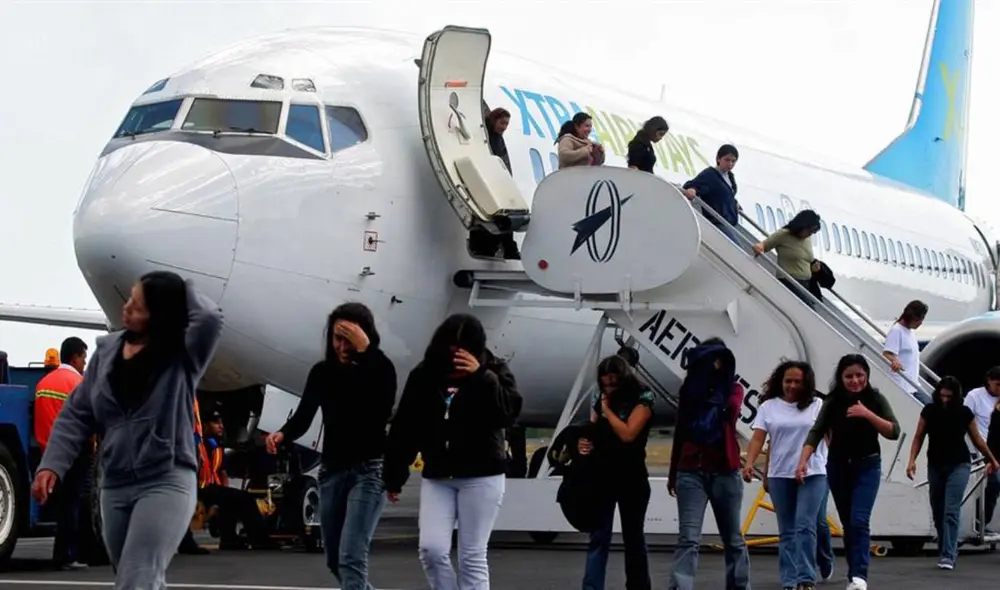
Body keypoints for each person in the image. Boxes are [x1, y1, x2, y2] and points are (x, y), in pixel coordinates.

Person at [31, 272, 223, 589]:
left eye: (138, 304)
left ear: (158, 314)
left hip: (166, 479)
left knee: (138, 576)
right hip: (115, 485)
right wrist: (52, 464)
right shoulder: (106, 355)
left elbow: (210, 319)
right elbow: (77, 413)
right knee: (133, 575)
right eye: (130, 299)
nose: (127, 307)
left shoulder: (182, 355)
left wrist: (179, 285)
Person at [383, 313, 522, 590]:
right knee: (431, 550)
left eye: (464, 352)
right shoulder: (424, 375)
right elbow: (405, 427)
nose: (456, 358)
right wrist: (394, 474)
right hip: (439, 474)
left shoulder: (494, 372)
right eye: (451, 351)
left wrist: (482, 377)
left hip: (483, 475)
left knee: (472, 555)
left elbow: (507, 415)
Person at [265, 302, 397, 589]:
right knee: (334, 559)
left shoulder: (380, 368)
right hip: (332, 471)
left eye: (349, 338)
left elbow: (382, 407)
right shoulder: (323, 372)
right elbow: (304, 415)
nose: (342, 345)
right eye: (337, 338)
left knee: (351, 558)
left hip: (369, 470)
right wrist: (283, 434)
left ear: (365, 336)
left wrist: (366, 354)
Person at [796, 355, 901, 590]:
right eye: (849, 376)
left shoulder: (875, 399)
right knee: (848, 523)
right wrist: (803, 461)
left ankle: (859, 576)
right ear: (841, 378)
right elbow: (816, 431)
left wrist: (867, 414)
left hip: (868, 465)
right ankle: (854, 572)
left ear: (866, 376)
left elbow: (894, 431)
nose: (855, 381)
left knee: (859, 520)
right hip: (838, 466)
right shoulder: (832, 402)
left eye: (859, 375)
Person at [667, 337, 750, 590]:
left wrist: (713, 387)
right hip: (690, 470)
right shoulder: (689, 390)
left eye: (716, 360)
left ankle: (738, 586)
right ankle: (680, 587)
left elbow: (732, 413)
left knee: (733, 538)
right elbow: (680, 431)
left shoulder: (732, 389)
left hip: (724, 469)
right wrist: (673, 474)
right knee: (688, 538)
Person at [743, 361, 826, 590]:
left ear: (806, 383)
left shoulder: (818, 405)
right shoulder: (768, 407)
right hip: (780, 473)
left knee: (806, 524)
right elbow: (759, 438)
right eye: (788, 381)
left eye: (797, 382)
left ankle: (806, 577)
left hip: (813, 472)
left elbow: (829, 436)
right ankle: (790, 580)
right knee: (787, 529)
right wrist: (750, 463)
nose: (791, 386)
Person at [577, 355, 655, 590]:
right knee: (598, 537)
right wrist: (584, 443)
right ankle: (591, 587)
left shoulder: (643, 397)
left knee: (634, 539)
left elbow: (629, 434)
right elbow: (592, 429)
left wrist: (606, 410)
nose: (608, 387)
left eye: (613, 383)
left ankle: (638, 586)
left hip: (632, 477)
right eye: (604, 384)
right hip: (603, 475)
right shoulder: (598, 396)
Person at [906, 376, 998, 569]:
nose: (945, 400)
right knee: (938, 510)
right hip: (936, 465)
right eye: (942, 396)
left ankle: (949, 554)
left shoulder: (964, 413)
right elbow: (918, 436)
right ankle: (945, 545)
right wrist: (911, 461)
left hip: (959, 464)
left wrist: (991, 458)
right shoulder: (929, 411)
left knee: (951, 510)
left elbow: (978, 440)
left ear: (956, 396)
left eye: (949, 396)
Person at [34, 337, 89, 570]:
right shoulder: (78, 383)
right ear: (75, 357)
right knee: (72, 505)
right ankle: (66, 556)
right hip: (74, 454)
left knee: (60, 507)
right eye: (84, 358)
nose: (84, 364)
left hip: (47, 453)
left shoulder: (43, 383)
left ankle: (61, 555)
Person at [197, 407, 272, 550]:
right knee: (244, 498)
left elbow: (222, 472)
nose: (221, 426)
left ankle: (229, 539)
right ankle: (260, 539)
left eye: (221, 422)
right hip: (198, 487)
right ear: (205, 424)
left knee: (232, 498)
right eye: (215, 423)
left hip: (210, 488)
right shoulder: (198, 442)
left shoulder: (215, 444)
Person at [752, 210, 823, 305]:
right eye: (810, 230)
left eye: (813, 231)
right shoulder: (784, 235)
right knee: (809, 312)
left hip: (805, 284)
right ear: (802, 225)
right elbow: (765, 245)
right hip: (789, 282)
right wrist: (759, 247)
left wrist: (813, 268)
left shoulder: (807, 239)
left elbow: (804, 259)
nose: (810, 234)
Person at [962, 366, 1000, 536]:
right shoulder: (974, 396)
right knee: (994, 482)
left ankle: (983, 520)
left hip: (998, 447)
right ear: (988, 382)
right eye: (998, 385)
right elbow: (964, 421)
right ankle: (979, 520)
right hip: (982, 448)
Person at [682, 144, 741, 240]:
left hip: (728, 223)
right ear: (718, 159)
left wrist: (735, 203)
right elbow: (694, 185)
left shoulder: (730, 176)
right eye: (727, 160)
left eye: (733, 161)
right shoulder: (710, 174)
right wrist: (693, 189)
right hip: (717, 221)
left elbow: (725, 194)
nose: (730, 164)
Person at [883, 300, 929, 402]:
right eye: (918, 320)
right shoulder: (897, 330)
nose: (920, 323)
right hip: (903, 385)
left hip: (913, 384)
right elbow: (886, 353)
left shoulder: (910, 332)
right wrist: (894, 360)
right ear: (911, 317)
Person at [485, 107, 512, 173]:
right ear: (493, 120)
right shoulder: (483, 132)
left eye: (506, 125)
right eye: (502, 123)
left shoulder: (499, 141)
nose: (504, 127)